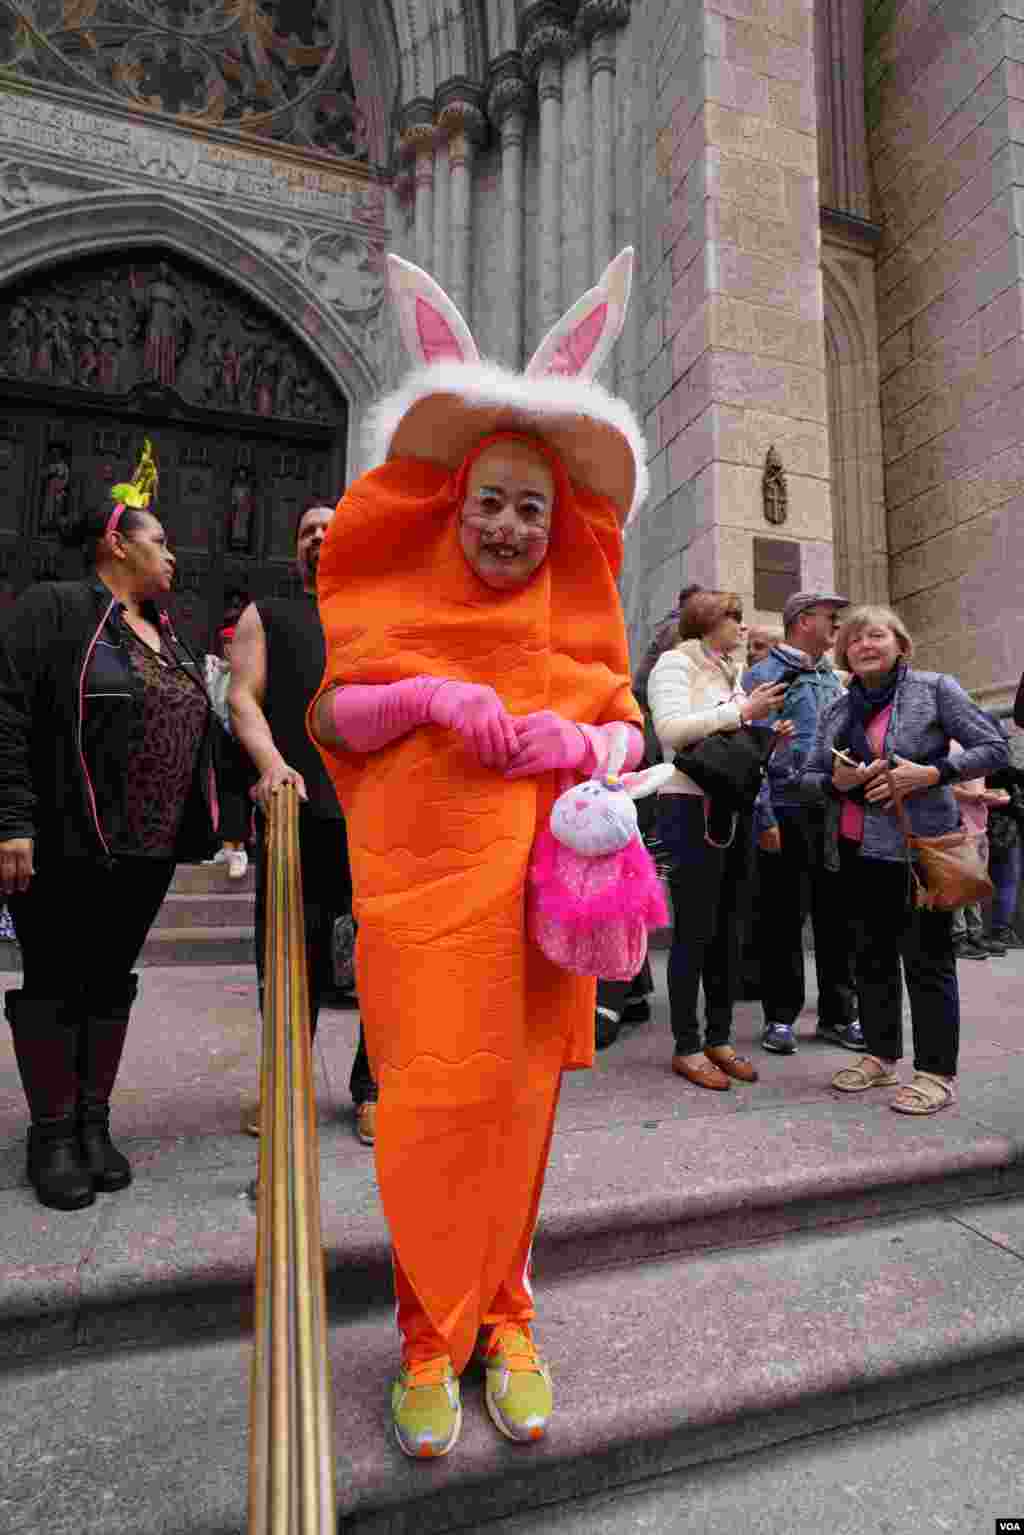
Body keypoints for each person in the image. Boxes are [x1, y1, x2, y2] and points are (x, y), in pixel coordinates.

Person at [309, 249, 646, 1458]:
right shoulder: (395, 609)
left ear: (558, 526)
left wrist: (584, 738)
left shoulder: (577, 619)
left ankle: (505, 1318)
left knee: (519, 1119)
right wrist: (429, 698)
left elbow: (627, 728)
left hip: (537, 922)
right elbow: (334, 715)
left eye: (532, 508)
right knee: (427, 1117)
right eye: (490, 502)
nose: (508, 525)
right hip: (422, 917)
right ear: (453, 507)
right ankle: (423, 1337)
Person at [0, 442, 217, 1209]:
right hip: (68, 836)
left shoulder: (168, 631)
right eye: (159, 540)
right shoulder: (55, 609)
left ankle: (93, 1122)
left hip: (148, 848)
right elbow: (8, 710)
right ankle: (52, 1133)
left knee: (108, 977)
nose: (172, 554)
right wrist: (12, 818)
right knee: (56, 978)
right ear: (116, 544)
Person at [802, 605, 1007, 1114]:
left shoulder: (934, 689)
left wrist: (933, 773)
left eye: (876, 635)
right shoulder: (837, 709)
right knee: (870, 959)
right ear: (843, 653)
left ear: (900, 644)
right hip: (854, 851)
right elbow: (806, 777)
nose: (864, 645)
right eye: (854, 640)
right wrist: (836, 781)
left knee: (927, 961)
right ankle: (880, 1055)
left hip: (917, 851)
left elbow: (993, 747)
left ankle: (936, 1072)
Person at [228, 503, 375, 1144]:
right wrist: (272, 764)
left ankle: (374, 1087)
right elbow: (242, 696)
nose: (317, 537)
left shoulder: (380, 615)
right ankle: (285, 1085)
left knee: (382, 956)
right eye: (306, 531)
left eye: (329, 529)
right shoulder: (267, 614)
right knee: (290, 954)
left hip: (374, 814)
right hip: (297, 809)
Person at [646, 589, 789, 1090]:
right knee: (694, 931)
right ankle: (687, 1045)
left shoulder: (731, 670)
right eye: (734, 618)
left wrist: (766, 737)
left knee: (730, 929)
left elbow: (728, 743)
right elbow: (671, 731)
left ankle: (719, 1038)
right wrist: (744, 712)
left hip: (733, 804)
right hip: (688, 807)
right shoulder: (675, 663)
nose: (742, 628)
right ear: (708, 620)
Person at [743, 590, 861, 1056]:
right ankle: (780, 1017)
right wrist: (765, 815)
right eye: (831, 617)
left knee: (838, 917)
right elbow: (753, 753)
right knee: (783, 918)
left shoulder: (834, 678)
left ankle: (839, 1015)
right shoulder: (763, 675)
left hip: (833, 811)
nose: (838, 626)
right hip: (787, 811)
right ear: (803, 620)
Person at [948, 738, 1005, 960]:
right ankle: (958, 937)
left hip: (978, 824)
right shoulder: (953, 748)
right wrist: (977, 797)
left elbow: (973, 786)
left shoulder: (977, 750)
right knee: (962, 883)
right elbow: (945, 787)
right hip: (960, 825)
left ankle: (975, 933)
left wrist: (989, 795)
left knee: (976, 883)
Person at [204, 625, 252, 879]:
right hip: (222, 734)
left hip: (242, 735)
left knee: (238, 791)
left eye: (232, 643)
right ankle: (227, 846)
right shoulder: (220, 670)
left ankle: (239, 848)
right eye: (225, 644)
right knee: (224, 789)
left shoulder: (249, 672)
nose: (228, 649)